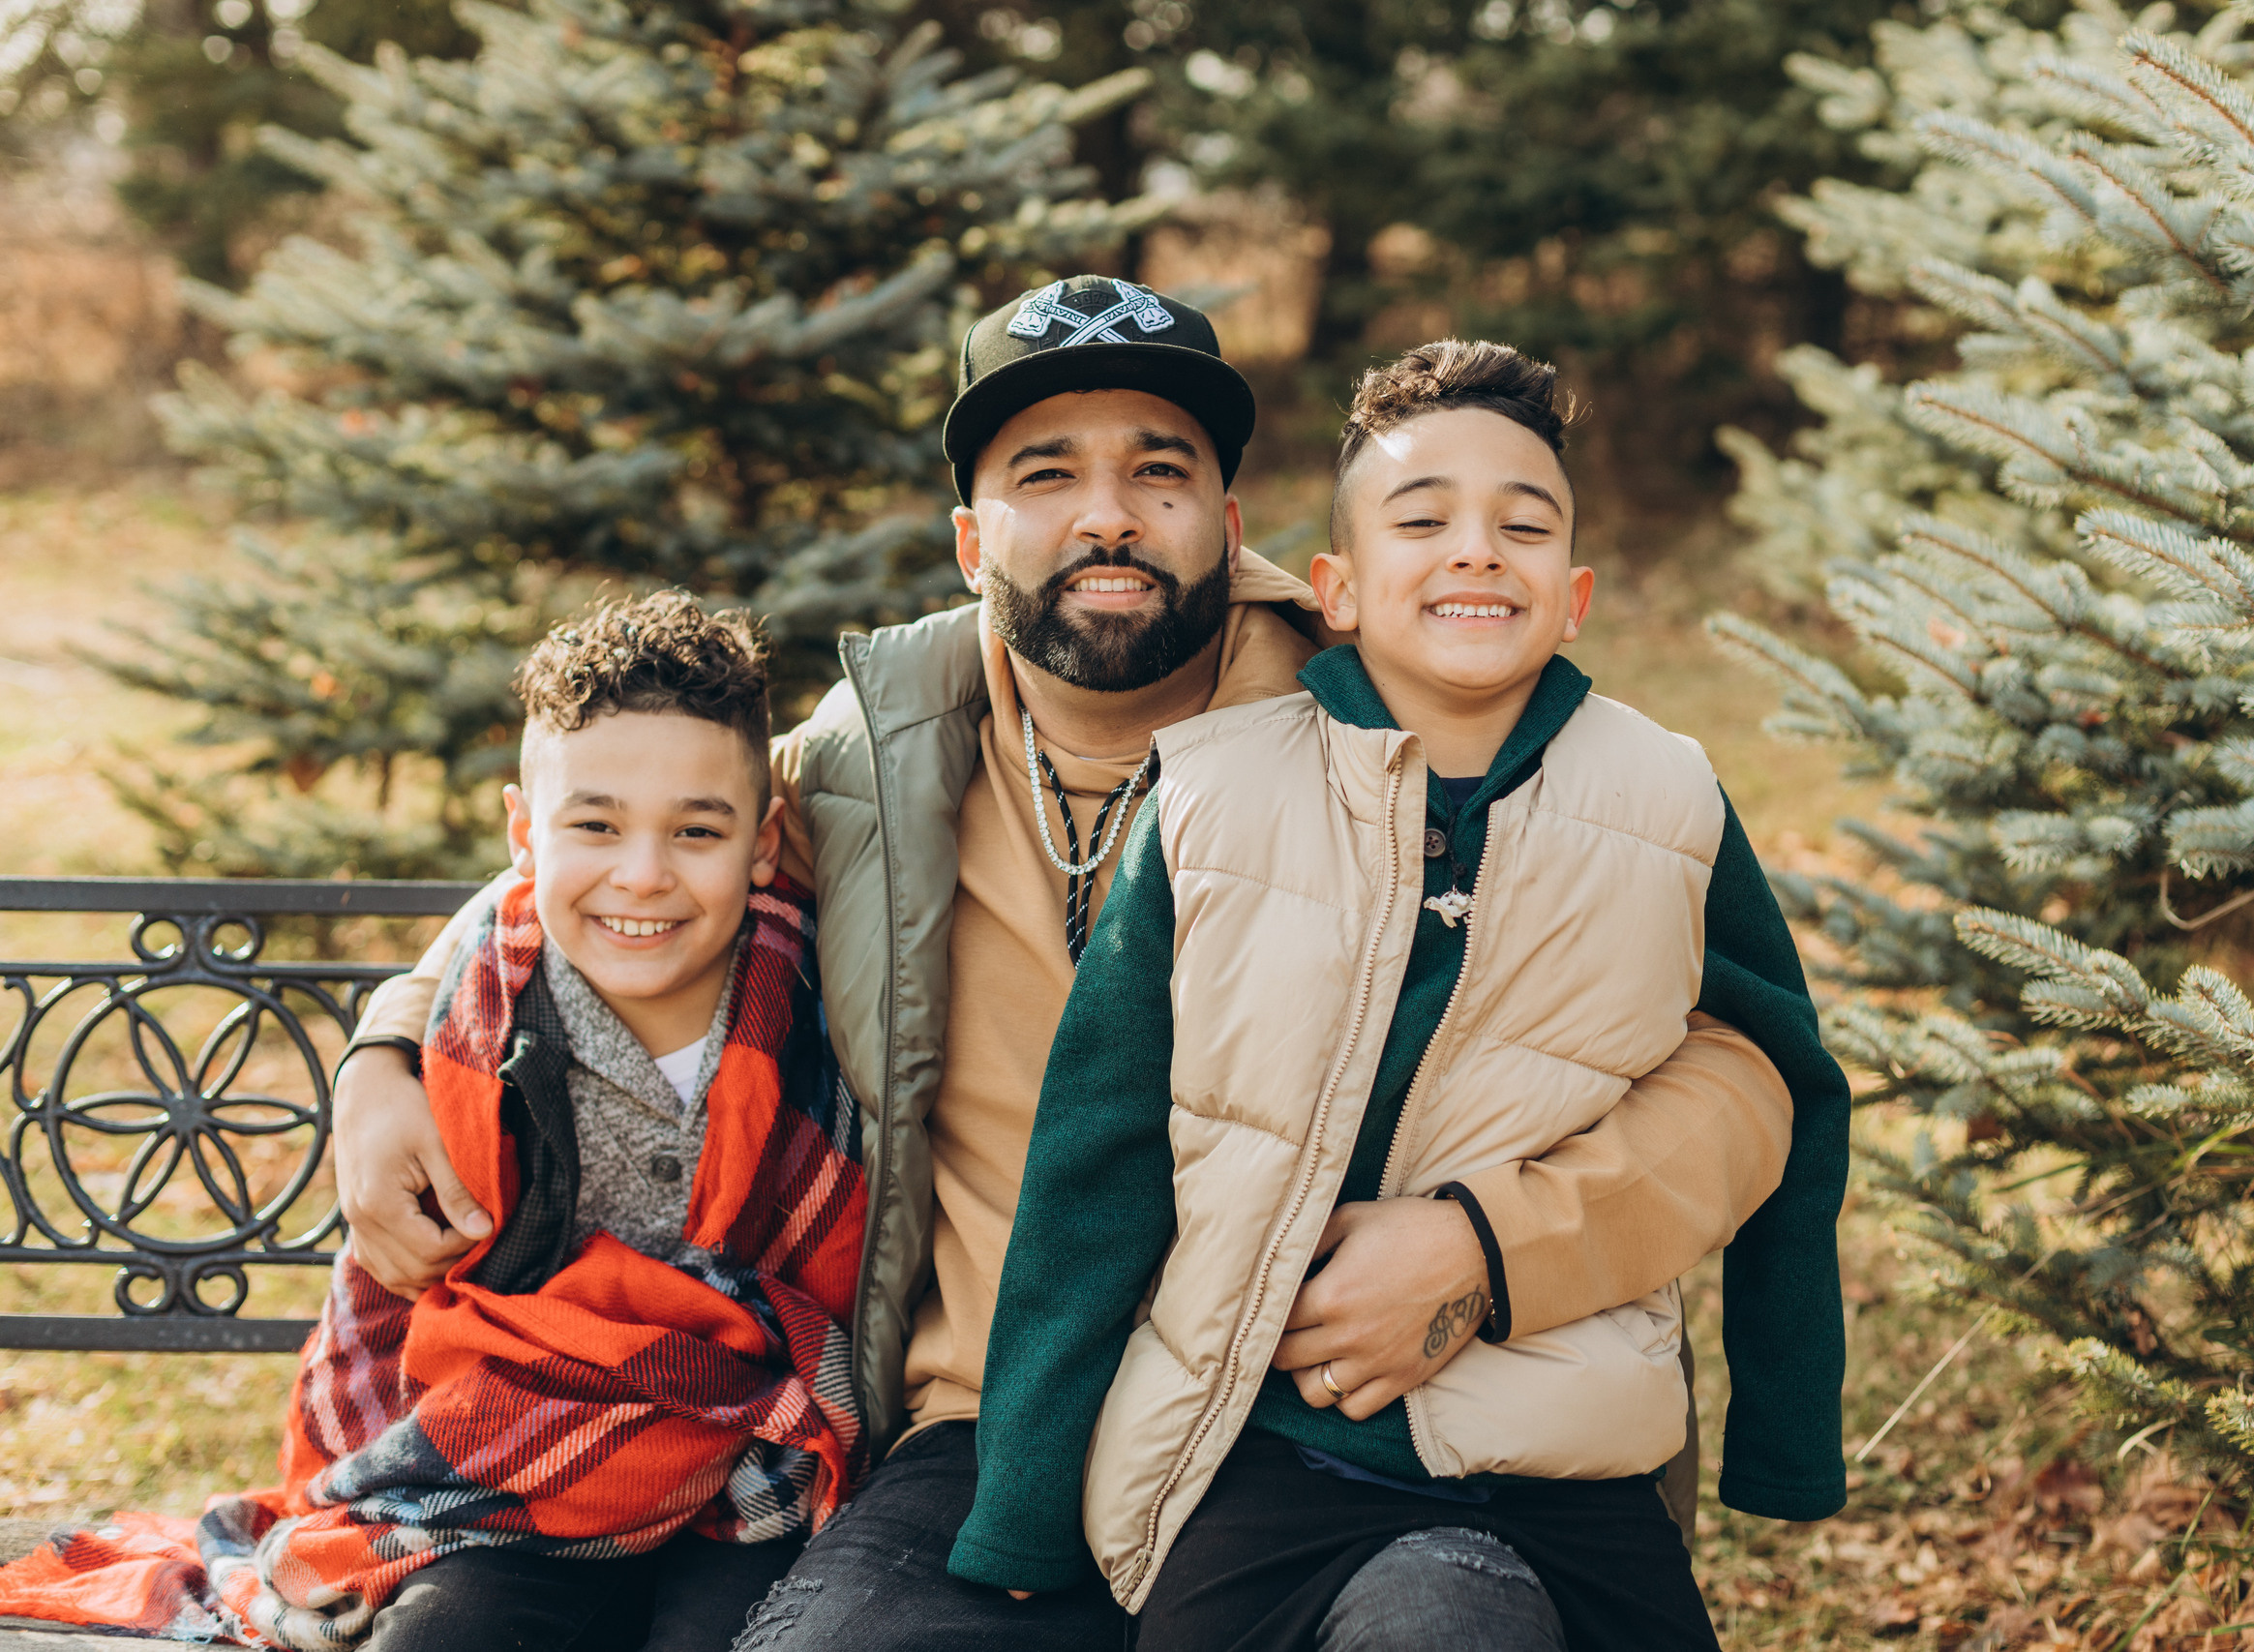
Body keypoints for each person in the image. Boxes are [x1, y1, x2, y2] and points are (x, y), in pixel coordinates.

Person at [323, 277, 1841, 1652]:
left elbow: (1730, 1046)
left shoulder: (1373, 711)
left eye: (1158, 471)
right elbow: (626, 851)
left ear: (1231, 523)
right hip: (996, 1426)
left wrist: (1483, 1244)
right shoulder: (873, 759)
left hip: (1300, 1416)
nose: (1107, 515)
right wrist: (388, 1045)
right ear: (975, 537)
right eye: (1047, 475)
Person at [950, 341, 1841, 1651]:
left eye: (1521, 524)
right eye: (1424, 521)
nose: (1476, 550)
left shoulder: (1665, 797)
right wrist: (1021, 1509)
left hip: (1565, 1453)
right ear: (1339, 589)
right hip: (1269, 1446)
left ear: (1576, 592)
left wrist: (1786, 1434)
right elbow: (1097, 1163)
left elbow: (1787, 1084)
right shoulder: (1210, 796)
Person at [0, 592, 868, 1651]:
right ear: (522, 832)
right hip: (503, 1474)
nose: (644, 873)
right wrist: (376, 1058)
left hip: (751, 1476)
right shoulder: (472, 1021)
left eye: (696, 830)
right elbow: (413, 1316)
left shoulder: (829, 1006)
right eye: (595, 825)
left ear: (764, 839)